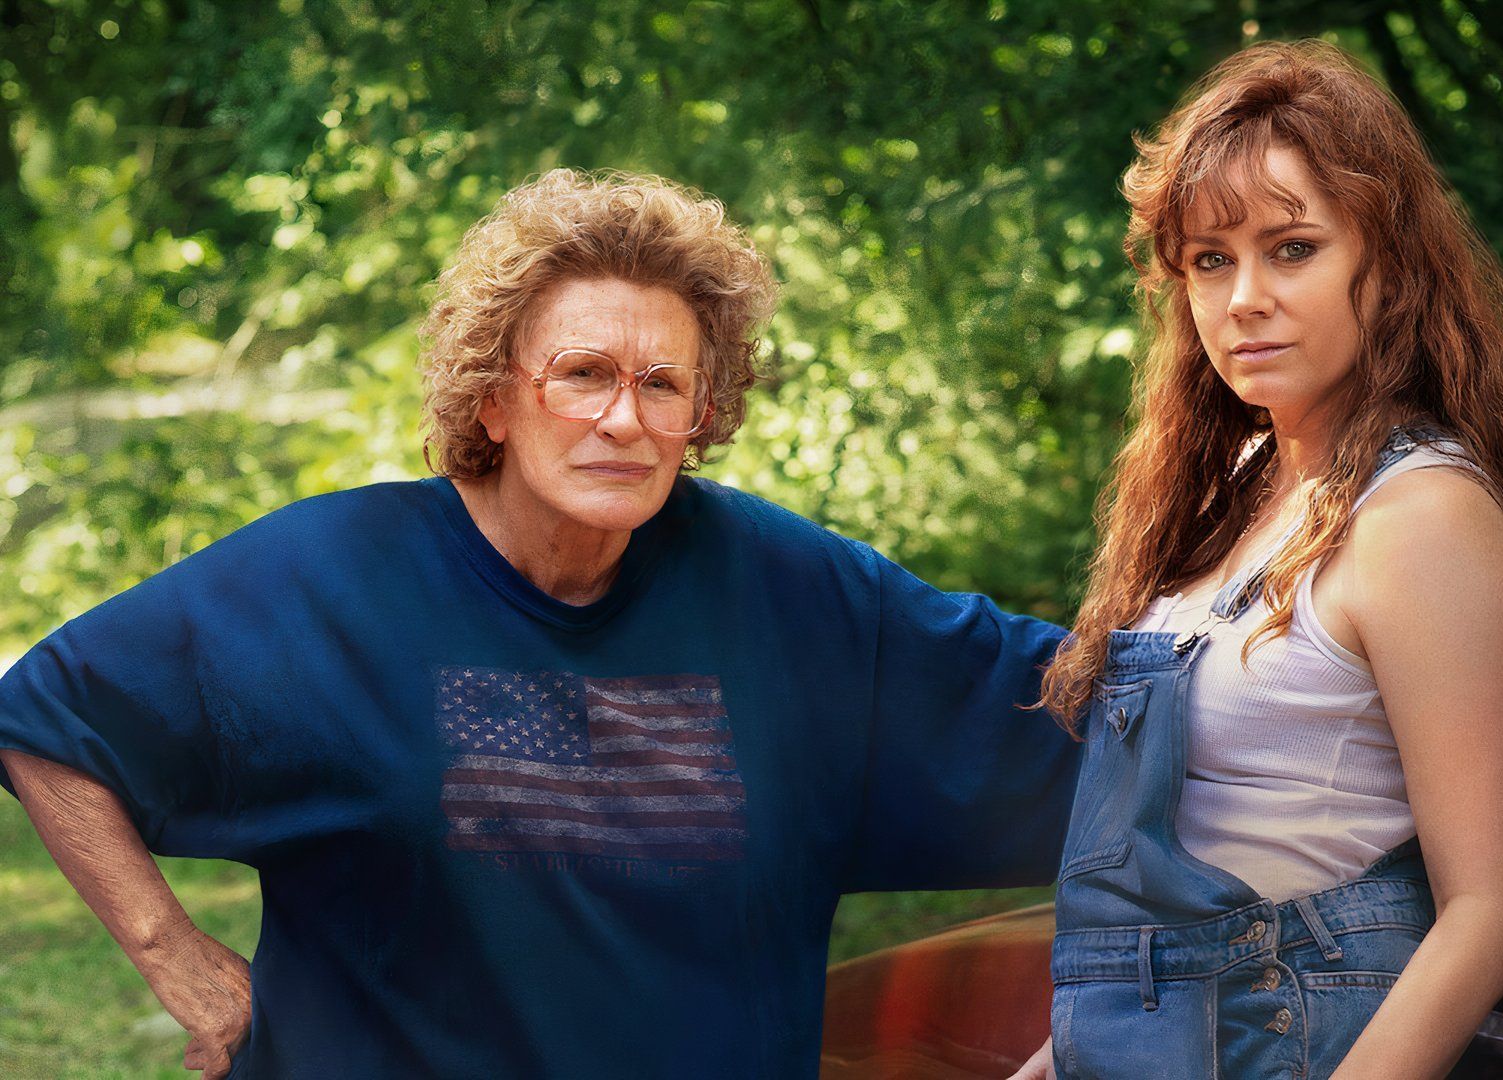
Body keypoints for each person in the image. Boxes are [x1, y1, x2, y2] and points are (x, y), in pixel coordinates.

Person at [0, 168, 1077, 1078]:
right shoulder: (330, 582)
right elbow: (49, 716)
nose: (625, 418)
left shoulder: (791, 592)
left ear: (704, 414)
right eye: (584, 376)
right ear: (493, 398)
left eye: (665, 384)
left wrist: (1246, 617)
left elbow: (1072, 706)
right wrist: (169, 951)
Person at [1012, 40, 1503, 1079]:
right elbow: (1155, 922)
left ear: (1390, 265)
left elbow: (1484, 915)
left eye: (1292, 248)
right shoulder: (1230, 491)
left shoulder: (1421, 517)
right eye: (1209, 260)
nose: (1243, 299)